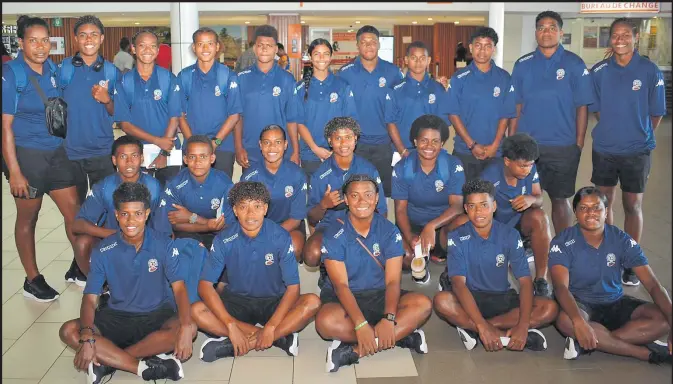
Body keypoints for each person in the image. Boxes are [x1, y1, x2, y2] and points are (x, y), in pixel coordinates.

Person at [58, 182, 196, 384]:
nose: (131, 220)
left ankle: (109, 361)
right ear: (116, 215)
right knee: (68, 331)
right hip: (118, 316)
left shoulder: (164, 243)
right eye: (125, 214)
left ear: (147, 213)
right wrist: (87, 335)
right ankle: (140, 367)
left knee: (190, 328)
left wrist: (184, 325)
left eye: (138, 214)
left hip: (157, 314)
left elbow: (180, 288)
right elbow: (89, 299)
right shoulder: (104, 250)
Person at [315, 174, 432, 373]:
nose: (362, 201)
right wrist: (360, 325)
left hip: (379, 294)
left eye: (368, 194)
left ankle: (355, 350)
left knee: (423, 304)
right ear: (345, 199)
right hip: (345, 297)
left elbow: (393, 281)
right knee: (325, 322)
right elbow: (341, 286)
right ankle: (400, 335)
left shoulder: (389, 230)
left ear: (377, 198)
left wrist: (388, 317)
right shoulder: (334, 233)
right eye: (354, 195)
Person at [192, 181, 321, 360]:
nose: (250, 214)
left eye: (257, 206)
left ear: (265, 209)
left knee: (312, 302)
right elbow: (205, 286)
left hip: (274, 301)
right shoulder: (224, 240)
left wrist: (272, 325)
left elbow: (293, 288)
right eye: (243, 207)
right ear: (235, 211)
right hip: (238, 300)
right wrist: (230, 325)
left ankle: (246, 342)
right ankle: (279, 338)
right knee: (197, 310)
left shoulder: (280, 236)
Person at [2, 15, 80, 302]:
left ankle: (86, 271)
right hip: (27, 155)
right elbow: (5, 127)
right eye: (33, 40)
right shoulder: (12, 74)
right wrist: (15, 171)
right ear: (21, 43)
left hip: (57, 153)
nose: (40, 46)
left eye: (45, 40)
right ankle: (32, 279)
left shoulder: (53, 69)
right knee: (28, 217)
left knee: (75, 215)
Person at [433, 179, 558, 353]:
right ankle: (501, 334)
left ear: (494, 206)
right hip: (471, 297)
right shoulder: (456, 236)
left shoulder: (510, 235)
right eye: (472, 206)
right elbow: (458, 284)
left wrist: (522, 325)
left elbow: (524, 281)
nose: (479, 212)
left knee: (549, 308)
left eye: (484, 205)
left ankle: (478, 329)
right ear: (466, 209)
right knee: (442, 301)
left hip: (502, 297)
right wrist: (482, 324)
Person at [550, 186, 672, 364]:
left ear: (606, 212)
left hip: (615, 301)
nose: (591, 213)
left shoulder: (621, 239)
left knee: (664, 318)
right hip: (580, 303)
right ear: (575, 212)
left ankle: (593, 341)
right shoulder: (562, 242)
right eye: (583, 208)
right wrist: (578, 321)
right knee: (565, 321)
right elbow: (560, 287)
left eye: (597, 207)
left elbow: (652, 285)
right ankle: (644, 353)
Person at [589, 18, 667, 287]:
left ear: (635, 38)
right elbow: (596, 109)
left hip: (637, 151)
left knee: (632, 205)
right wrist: (612, 127)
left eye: (625, 35)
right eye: (615, 35)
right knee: (604, 204)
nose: (620, 39)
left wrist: (639, 133)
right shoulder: (599, 71)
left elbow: (656, 113)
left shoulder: (649, 70)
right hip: (605, 149)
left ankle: (631, 259)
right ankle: (610, 253)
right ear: (610, 39)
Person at [509, 11, 594, 236]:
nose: (546, 32)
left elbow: (582, 107)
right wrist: (512, 142)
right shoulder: (522, 64)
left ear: (561, 32)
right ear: (535, 32)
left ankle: (563, 244)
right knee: (523, 199)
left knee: (560, 200)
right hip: (526, 147)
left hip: (562, 146)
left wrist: (578, 143)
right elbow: (515, 106)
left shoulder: (574, 64)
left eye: (552, 27)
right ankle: (526, 242)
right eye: (542, 28)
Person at [59, 15, 121, 285]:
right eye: (83, 35)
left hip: (101, 150)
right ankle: (78, 261)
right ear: (75, 39)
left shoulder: (110, 71)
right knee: (73, 212)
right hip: (69, 151)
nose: (88, 40)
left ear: (102, 39)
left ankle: (102, 260)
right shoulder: (63, 69)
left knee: (104, 208)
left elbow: (117, 111)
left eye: (93, 35)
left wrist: (107, 100)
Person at [302, 117, 387, 271]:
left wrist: (375, 233)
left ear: (355, 139)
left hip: (363, 223)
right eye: (338, 138)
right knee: (311, 254)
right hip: (331, 225)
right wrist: (323, 205)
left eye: (348, 137)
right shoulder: (320, 175)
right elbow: (312, 218)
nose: (343, 143)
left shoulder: (368, 169)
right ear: (330, 141)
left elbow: (382, 210)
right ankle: (327, 270)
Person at [72, 135, 162, 277]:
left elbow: (162, 226)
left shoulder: (154, 187)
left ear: (142, 158)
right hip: (112, 239)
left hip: (144, 242)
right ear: (114, 160)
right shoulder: (104, 187)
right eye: (123, 157)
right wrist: (116, 235)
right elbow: (77, 225)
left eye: (134, 156)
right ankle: (101, 287)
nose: (129, 162)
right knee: (82, 243)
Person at [391, 114, 465, 280]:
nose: (429, 146)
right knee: (405, 259)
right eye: (424, 140)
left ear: (442, 143)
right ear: (415, 142)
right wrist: (410, 237)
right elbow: (400, 210)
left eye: (435, 141)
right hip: (413, 226)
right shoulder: (402, 167)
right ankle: (421, 258)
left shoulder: (453, 165)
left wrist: (432, 226)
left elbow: (458, 205)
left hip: (442, 227)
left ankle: (451, 271)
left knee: (465, 223)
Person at [479, 133, 553, 297]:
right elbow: (479, 213)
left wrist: (530, 199)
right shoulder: (489, 176)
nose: (527, 170)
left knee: (539, 216)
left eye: (530, 165)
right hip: (495, 227)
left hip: (519, 223)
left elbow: (539, 198)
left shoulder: (530, 169)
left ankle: (541, 279)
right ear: (507, 161)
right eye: (522, 166)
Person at [338, 25, 405, 198]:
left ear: (379, 44)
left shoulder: (393, 72)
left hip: (384, 144)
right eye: (364, 42)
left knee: (382, 194)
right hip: (355, 145)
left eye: (373, 42)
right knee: (355, 193)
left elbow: (407, 96)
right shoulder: (345, 73)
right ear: (357, 46)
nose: (369, 46)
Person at [114, 29, 182, 187]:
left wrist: (164, 151)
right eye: (142, 46)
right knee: (141, 203)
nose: (147, 50)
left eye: (152, 46)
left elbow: (174, 118)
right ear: (133, 49)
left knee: (169, 203)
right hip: (137, 153)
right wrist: (157, 141)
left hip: (169, 150)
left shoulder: (168, 78)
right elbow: (125, 124)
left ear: (158, 51)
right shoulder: (124, 82)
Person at [447, 27, 516, 182]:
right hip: (465, 150)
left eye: (487, 46)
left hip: (496, 152)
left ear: (494, 49)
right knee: (464, 199)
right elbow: (453, 114)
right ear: (471, 48)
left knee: (493, 199)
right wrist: (472, 145)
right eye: (478, 45)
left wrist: (495, 145)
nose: (482, 50)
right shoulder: (459, 78)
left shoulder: (504, 77)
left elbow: (506, 115)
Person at [177, 27, 242, 178]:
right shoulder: (184, 76)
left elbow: (234, 115)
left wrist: (214, 143)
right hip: (192, 147)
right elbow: (179, 115)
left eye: (210, 44)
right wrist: (193, 144)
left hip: (222, 146)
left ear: (217, 46)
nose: (205, 48)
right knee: (191, 192)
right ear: (194, 48)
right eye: (200, 44)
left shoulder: (228, 76)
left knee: (222, 192)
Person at [153, 135, 236, 249]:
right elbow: (175, 224)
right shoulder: (175, 184)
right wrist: (207, 225)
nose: (197, 162)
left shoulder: (224, 183)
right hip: (187, 234)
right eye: (192, 157)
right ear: (185, 160)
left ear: (212, 158)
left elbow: (225, 225)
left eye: (203, 156)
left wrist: (192, 217)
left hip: (217, 236)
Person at [235, 25, 299, 168]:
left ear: (276, 49)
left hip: (279, 150)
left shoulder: (287, 79)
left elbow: (292, 119)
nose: (264, 49)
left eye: (269, 45)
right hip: (250, 150)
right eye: (260, 45)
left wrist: (295, 150)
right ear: (254, 48)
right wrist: (239, 147)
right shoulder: (241, 78)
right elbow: (238, 117)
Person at [241, 125, 308, 261]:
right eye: (267, 142)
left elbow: (296, 219)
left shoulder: (297, 174)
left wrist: (270, 236)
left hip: (289, 225)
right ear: (260, 145)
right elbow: (246, 215)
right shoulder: (250, 177)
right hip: (258, 227)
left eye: (278, 142)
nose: (272, 148)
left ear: (285, 145)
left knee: (294, 247)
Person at [294, 38, 357, 178]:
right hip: (310, 154)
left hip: (339, 152)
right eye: (317, 54)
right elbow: (299, 123)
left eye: (326, 53)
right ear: (310, 57)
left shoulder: (342, 86)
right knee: (314, 198)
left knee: (339, 197)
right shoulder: (299, 88)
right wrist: (316, 149)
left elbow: (349, 121)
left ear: (331, 57)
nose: (321, 58)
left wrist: (337, 148)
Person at [386, 41, 450, 159]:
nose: (418, 62)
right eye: (413, 58)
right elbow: (391, 122)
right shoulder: (395, 90)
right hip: (402, 151)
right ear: (406, 60)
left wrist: (435, 147)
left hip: (431, 151)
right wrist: (402, 151)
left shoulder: (438, 89)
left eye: (422, 58)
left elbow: (443, 123)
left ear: (429, 60)